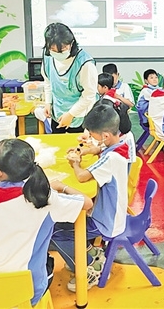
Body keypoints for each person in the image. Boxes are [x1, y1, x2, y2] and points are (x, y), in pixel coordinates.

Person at [0, 138, 92, 305]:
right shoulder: (44, 199)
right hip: (28, 292)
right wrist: (61, 186)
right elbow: (87, 203)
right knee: (47, 261)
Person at [52, 105, 129, 292]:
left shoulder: (111, 159)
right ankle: (93, 255)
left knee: (56, 234)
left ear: (105, 136)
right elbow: (98, 150)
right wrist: (83, 151)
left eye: (93, 136)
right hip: (111, 213)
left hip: (107, 221)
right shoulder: (120, 146)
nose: (91, 139)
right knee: (63, 223)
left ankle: (87, 270)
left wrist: (74, 165)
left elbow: (81, 177)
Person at [42, 22, 98, 134]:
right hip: (58, 112)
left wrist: (71, 114)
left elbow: (89, 95)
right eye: (53, 49)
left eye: (62, 50)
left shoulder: (85, 64)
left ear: (71, 43)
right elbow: (48, 80)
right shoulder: (48, 56)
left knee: (79, 143)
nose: (57, 53)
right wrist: (48, 102)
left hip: (81, 116)